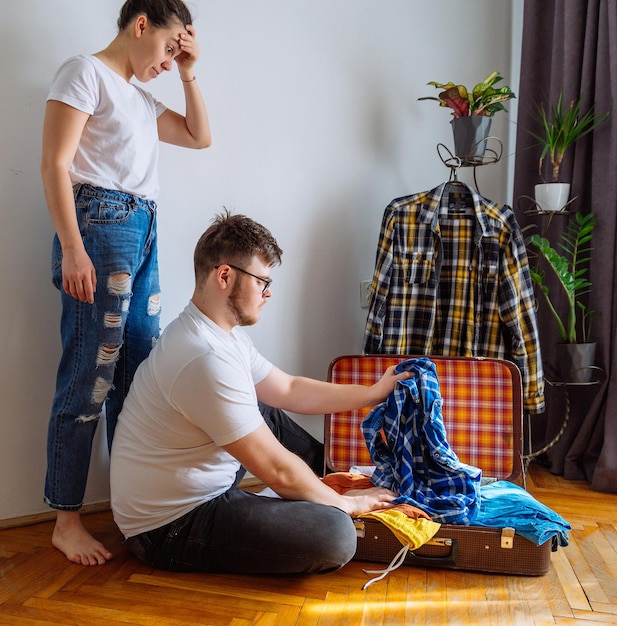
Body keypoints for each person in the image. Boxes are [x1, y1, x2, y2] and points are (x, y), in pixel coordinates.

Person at [110, 211, 410, 575]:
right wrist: (345, 506)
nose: (268, 293)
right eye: (262, 281)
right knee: (336, 535)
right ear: (225, 276)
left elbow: (289, 389)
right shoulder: (203, 357)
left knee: (264, 408)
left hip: (202, 480)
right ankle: (327, 496)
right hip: (169, 526)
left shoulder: (222, 335)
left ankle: (324, 484)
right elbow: (274, 470)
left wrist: (374, 393)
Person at [41, 0, 211, 566]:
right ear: (141, 24)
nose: (167, 61)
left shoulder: (140, 97)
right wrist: (71, 247)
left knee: (139, 377)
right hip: (100, 228)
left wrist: (188, 71)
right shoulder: (84, 72)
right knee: (90, 374)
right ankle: (66, 520)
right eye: (167, 48)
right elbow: (55, 164)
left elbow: (198, 135)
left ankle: (132, 508)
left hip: (143, 229)